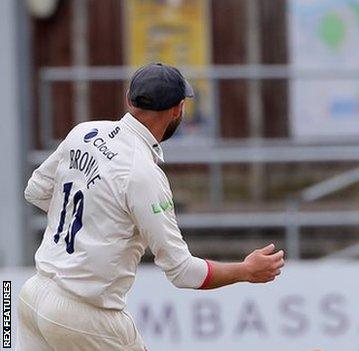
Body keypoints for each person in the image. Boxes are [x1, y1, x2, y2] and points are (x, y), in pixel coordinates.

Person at [18, 63, 285, 350]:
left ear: (128, 99)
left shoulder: (84, 132)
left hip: (31, 298)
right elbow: (183, 272)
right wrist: (245, 270)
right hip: (85, 315)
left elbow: (36, 191)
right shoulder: (142, 172)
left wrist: (93, 222)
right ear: (178, 109)